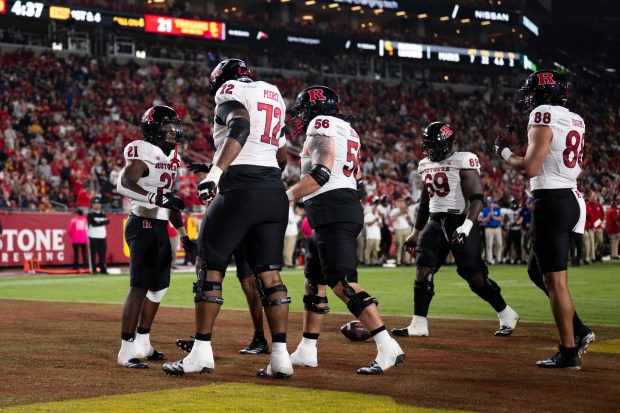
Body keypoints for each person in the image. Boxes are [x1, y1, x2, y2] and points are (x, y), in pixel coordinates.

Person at [162, 58, 292, 378]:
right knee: (270, 276)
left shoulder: (228, 91)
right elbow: (281, 153)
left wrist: (216, 173)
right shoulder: (273, 93)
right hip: (273, 190)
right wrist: (264, 180)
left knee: (209, 266)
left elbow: (241, 124)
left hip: (239, 188)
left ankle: (201, 352)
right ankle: (280, 357)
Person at [285, 85, 404, 375]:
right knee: (315, 280)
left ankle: (388, 346)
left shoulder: (321, 123)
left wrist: (285, 195)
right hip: (332, 208)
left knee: (343, 282)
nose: (302, 116)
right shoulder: (346, 129)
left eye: (304, 109)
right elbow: (358, 180)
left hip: (333, 208)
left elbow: (322, 172)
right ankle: (307, 348)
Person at [494, 69, 595, 369]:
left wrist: (503, 152)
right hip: (571, 198)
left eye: (533, 92)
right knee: (537, 271)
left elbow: (530, 168)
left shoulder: (542, 113)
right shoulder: (575, 118)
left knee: (555, 281)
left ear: (544, 94)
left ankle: (568, 350)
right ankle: (578, 329)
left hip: (551, 200)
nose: (529, 98)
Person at [392, 122, 519, 339]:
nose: (431, 150)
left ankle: (506, 313)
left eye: (434, 145)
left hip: (459, 220)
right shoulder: (425, 164)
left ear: (448, 143)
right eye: (428, 145)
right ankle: (419, 324)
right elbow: (424, 203)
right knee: (423, 270)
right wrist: (415, 232)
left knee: (474, 277)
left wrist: (466, 226)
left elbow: (478, 199)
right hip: (435, 222)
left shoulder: (463, 159)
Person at [115, 105, 194, 369]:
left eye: (175, 127)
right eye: (167, 127)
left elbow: (170, 203)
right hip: (142, 223)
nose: (173, 133)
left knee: (159, 288)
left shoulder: (173, 158)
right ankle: (126, 350)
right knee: (139, 287)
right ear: (153, 128)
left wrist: (183, 234)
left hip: (161, 226)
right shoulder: (142, 150)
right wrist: (155, 197)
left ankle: (143, 342)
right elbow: (123, 183)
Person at [86, 196, 109, 274]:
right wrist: (102, 222)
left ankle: (103, 269)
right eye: (95, 204)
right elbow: (94, 223)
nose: (97, 205)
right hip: (93, 236)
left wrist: (99, 222)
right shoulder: (90, 214)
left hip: (102, 236)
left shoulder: (102, 213)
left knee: (102, 254)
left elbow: (108, 221)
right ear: (92, 205)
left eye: (98, 203)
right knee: (93, 254)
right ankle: (93, 270)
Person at [390, 197, 413, 266]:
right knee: (399, 244)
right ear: (397, 203)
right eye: (399, 202)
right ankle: (398, 261)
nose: (401, 204)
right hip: (398, 229)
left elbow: (411, 222)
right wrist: (400, 213)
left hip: (406, 228)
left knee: (406, 245)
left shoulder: (408, 210)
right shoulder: (394, 210)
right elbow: (392, 219)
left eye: (402, 202)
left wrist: (407, 214)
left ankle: (406, 260)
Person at [481, 197, 503, 265]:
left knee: (499, 244)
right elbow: (483, 221)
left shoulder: (497, 209)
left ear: (493, 203)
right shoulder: (485, 210)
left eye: (491, 203)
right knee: (489, 245)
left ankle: (498, 259)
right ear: (487, 203)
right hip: (489, 228)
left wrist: (493, 217)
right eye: (489, 203)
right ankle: (489, 260)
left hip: (497, 228)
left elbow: (500, 218)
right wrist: (489, 216)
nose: (490, 204)